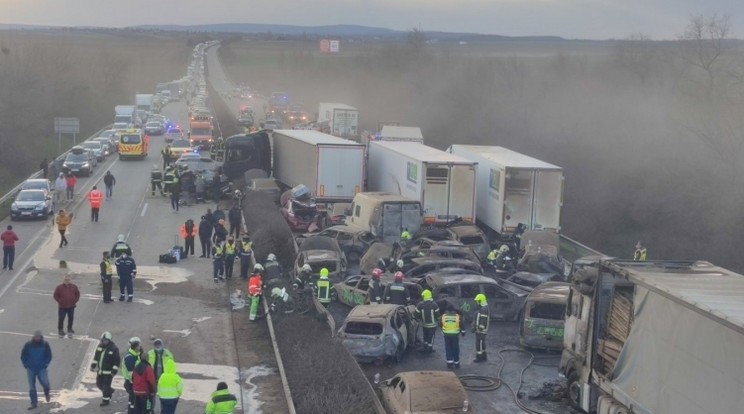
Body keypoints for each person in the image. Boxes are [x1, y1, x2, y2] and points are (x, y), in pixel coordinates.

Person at [20, 330, 52, 410]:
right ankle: (33, 403)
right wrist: (25, 364)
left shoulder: (45, 344)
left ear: (41, 337)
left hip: (41, 368)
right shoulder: (28, 345)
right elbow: (23, 355)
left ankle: (46, 392)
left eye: (38, 337)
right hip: (31, 369)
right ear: (34, 337)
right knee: (32, 387)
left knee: (45, 383)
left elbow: (49, 355)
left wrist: (45, 364)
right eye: (36, 337)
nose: (37, 338)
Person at [90, 331, 120, 407]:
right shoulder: (100, 346)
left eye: (105, 340)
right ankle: (109, 391)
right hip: (100, 371)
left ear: (109, 340)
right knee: (99, 384)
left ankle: (106, 400)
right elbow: (96, 357)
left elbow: (117, 361)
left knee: (106, 387)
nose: (104, 341)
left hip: (108, 373)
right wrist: (93, 366)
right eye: (103, 340)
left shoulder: (114, 349)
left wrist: (114, 371)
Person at [441, 303, 465, 369]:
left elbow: (441, 324)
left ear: (447, 310)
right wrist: (463, 332)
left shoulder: (444, 316)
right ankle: (457, 363)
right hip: (455, 335)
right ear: (453, 310)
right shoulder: (457, 316)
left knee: (448, 348)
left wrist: (442, 331)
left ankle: (449, 363)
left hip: (446, 335)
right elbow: (462, 325)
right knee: (455, 349)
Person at [132, 349, 156, 414]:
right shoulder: (148, 368)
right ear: (147, 358)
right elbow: (151, 381)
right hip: (145, 393)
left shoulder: (136, 367)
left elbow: (133, 378)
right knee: (146, 410)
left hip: (136, 392)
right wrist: (153, 391)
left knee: (138, 410)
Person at [122, 337, 141, 413]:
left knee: (132, 399)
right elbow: (131, 372)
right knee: (133, 400)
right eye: (139, 346)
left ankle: (131, 411)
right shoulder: (130, 357)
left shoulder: (135, 355)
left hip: (132, 381)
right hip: (131, 382)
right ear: (135, 347)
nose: (140, 347)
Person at [472, 293, 490, 362]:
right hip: (481, 330)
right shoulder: (483, 308)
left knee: (479, 343)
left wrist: (479, 329)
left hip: (481, 330)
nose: (476, 302)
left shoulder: (483, 309)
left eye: (477, 301)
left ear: (480, 301)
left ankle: (479, 357)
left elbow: (483, 321)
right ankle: (483, 356)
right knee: (481, 343)